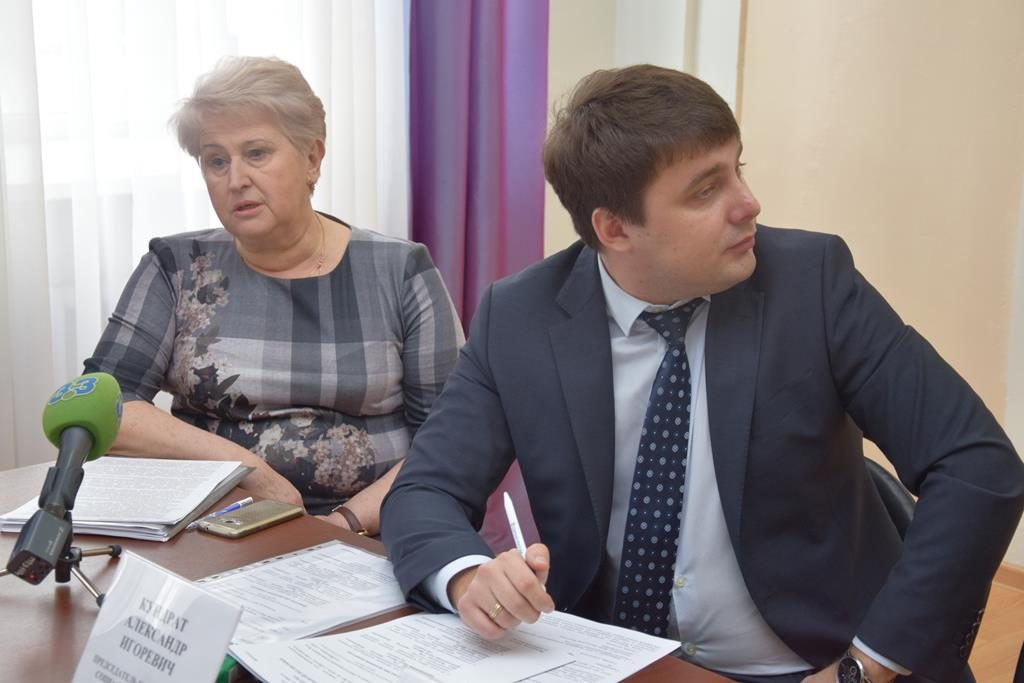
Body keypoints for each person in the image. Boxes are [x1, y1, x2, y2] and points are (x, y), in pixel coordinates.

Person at [381, 65, 1024, 682]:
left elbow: (977, 467)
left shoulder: (814, 285)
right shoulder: (521, 317)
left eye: (737, 169)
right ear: (615, 228)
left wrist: (864, 666)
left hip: (809, 663)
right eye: (705, 190)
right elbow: (426, 488)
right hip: (616, 662)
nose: (748, 204)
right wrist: (467, 576)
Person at [84, 57, 463, 536]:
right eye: (216, 161)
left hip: (370, 531)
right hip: (212, 526)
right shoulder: (176, 265)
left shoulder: (399, 270)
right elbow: (104, 406)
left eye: (257, 153)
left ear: (312, 159)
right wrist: (247, 469)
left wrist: (340, 525)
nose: (235, 179)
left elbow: (450, 438)